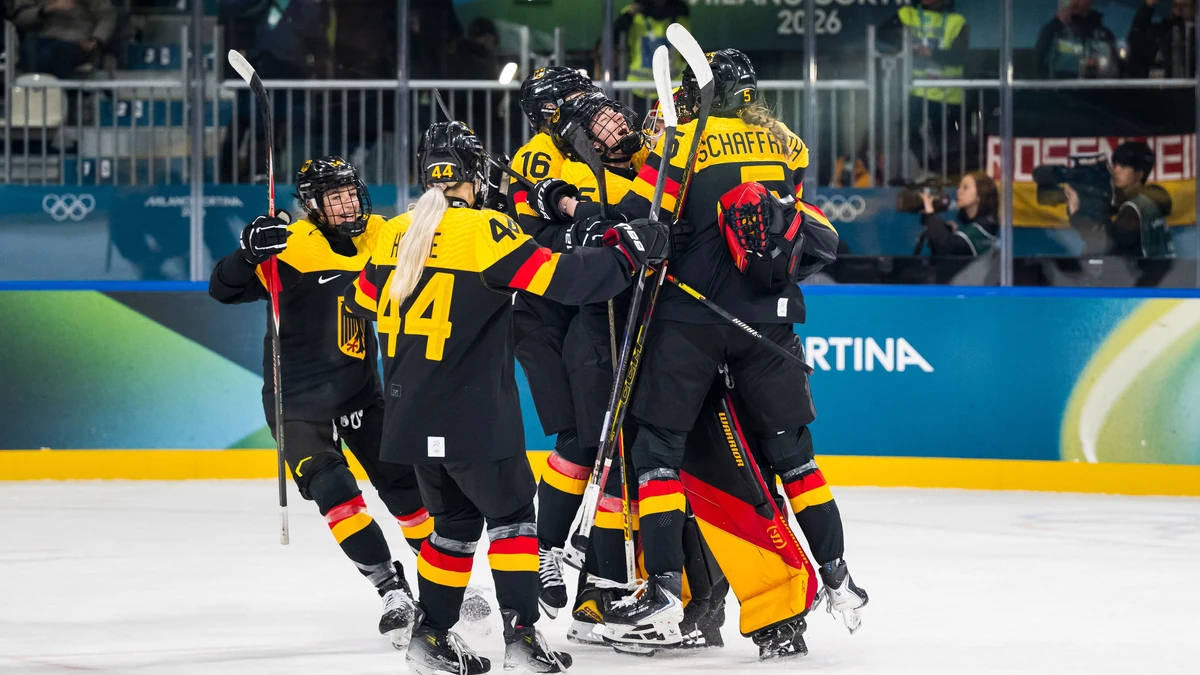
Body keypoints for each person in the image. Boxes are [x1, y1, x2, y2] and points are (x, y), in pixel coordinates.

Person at [344, 121, 670, 675]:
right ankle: (522, 637)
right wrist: (628, 253)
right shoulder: (485, 230)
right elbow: (564, 281)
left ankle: (430, 635)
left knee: (452, 528)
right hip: (471, 411)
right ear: (474, 176)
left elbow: (360, 302)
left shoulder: (396, 232)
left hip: (407, 413)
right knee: (514, 519)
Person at [604, 48, 867, 652]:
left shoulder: (682, 142)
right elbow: (793, 224)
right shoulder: (786, 144)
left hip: (691, 321)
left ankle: (663, 589)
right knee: (793, 458)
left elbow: (638, 221)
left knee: (657, 451)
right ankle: (837, 576)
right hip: (768, 324)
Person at [208, 157, 440, 648]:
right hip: (297, 402)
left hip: (360, 394)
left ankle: (441, 581)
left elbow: (439, 239)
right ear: (313, 206)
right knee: (334, 489)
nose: (348, 205)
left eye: (351, 193)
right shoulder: (289, 246)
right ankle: (391, 590)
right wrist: (247, 255)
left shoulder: (382, 234)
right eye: (335, 198)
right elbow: (222, 290)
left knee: (406, 489)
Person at [506, 66, 600, 621]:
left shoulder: (598, 145)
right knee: (577, 433)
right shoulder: (538, 156)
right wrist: (586, 229)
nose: (588, 104)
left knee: (602, 434)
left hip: (592, 305)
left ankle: (590, 548)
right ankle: (546, 546)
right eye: (574, 97)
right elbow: (531, 236)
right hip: (542, 311)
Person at [878, 0, 969, 174]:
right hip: (919, 90)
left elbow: (959, 56)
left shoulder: (957, 21)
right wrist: (907, 45)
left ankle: (947, 175)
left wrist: (931, 53)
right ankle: (930, 168)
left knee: (945, 140)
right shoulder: (908, 14)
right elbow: (882, 34)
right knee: (906, 128)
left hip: (948, 93)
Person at [1064, 141, 1174, 260]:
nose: (1116, 170)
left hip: (1141, 270)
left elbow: (1108, 246)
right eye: (1115, 165)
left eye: (1123, 166)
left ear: (1139, 174)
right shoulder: (1148, 202)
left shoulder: (1133, 209)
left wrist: (1076, 212)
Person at [612, 0, 691, 114]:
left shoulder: (679, 16)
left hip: (671, 87)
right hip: (639, 88)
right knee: (640, 124)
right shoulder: (634, 14)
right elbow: (614, 34)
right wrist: (629, 14)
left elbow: (686, 49)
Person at [10, 0, 116, 79]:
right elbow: (20, 17)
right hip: (42, 37)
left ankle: (55, 97)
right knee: (28, 51)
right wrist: (45, 10)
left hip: (77, 40)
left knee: (51, 54)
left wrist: (96, 40)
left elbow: (106, 17)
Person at [917, 172, 999, 257]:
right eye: (959, 187)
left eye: (965, 187)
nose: (959, 191)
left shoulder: (983, 228)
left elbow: (946, 245)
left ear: (980, 194)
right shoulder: (975, 225)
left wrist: (930, 213)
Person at [1034, 0, 1119, 79]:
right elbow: (1038, 65)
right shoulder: (1053, 32)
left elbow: (1115, 73)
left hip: (1097, 88)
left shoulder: (1104, 36)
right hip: (1058, 89)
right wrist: (1057, 23)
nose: (1075, 1)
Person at [1127, 0, 1196, 79]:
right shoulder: (1161, 32)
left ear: (1194, 8)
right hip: (1161, 84)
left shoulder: (1196, 36)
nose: (1178, 12)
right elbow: (1135, 41)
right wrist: (1147, 6)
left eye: (1184, 6)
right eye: (1175, 6)